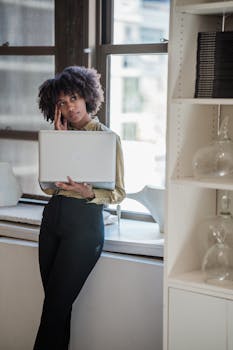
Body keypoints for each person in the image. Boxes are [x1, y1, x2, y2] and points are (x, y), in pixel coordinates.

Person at [33, 65, 125, 350]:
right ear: (55, 108)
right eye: (62, 102)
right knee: (57, 308)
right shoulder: (55, 137)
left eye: (73, 98)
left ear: (86, 96)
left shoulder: (107, 139)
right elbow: (47, 187)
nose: (70, 106)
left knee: (54, 310)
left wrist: (88, 192)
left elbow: (119, 193)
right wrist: (60, 141)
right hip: (52, 221)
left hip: (83, 227)